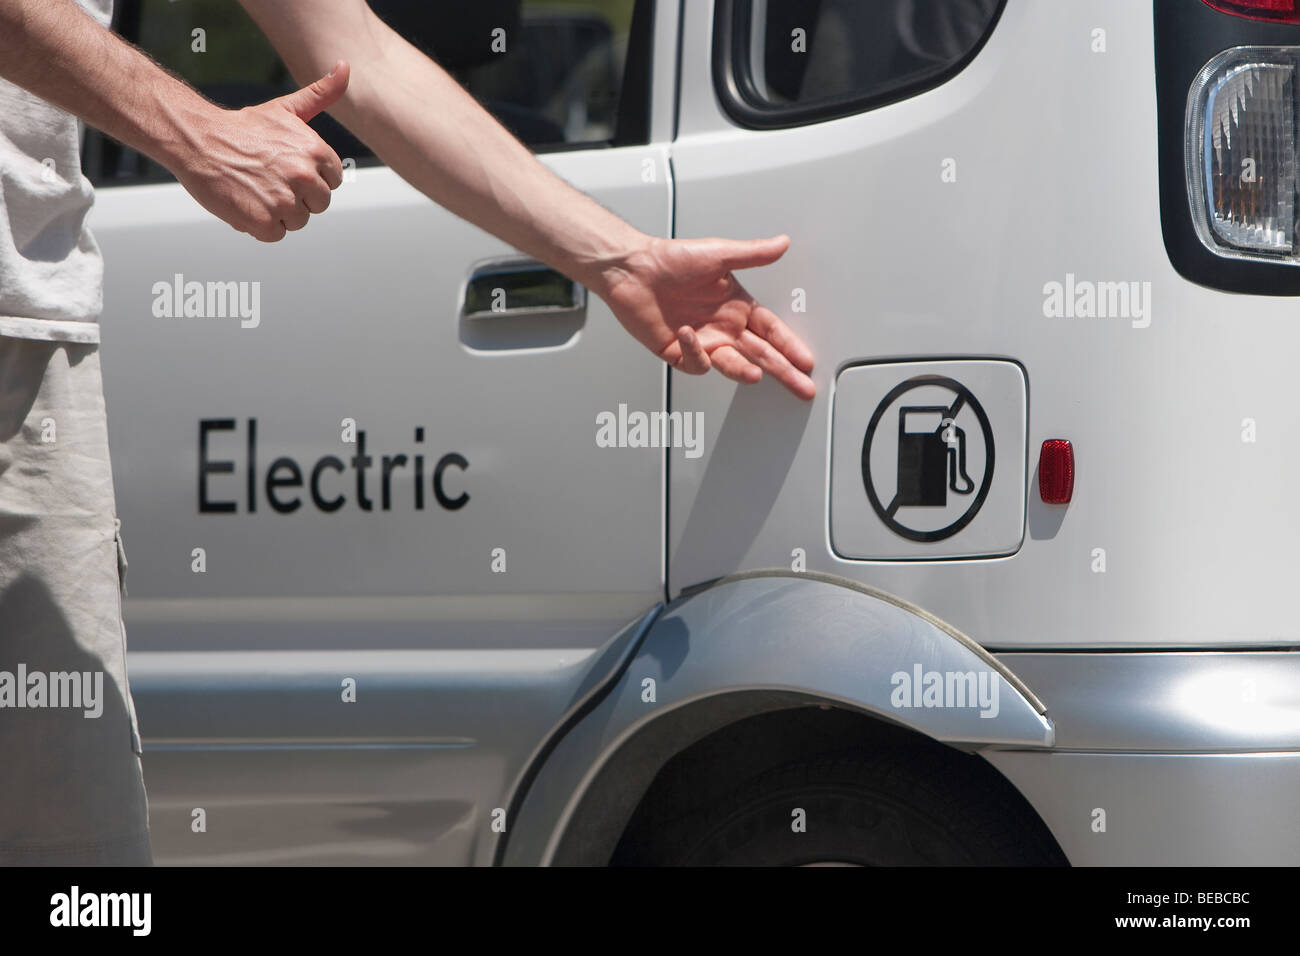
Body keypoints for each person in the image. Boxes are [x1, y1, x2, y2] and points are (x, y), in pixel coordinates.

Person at [0, 0, 816, 865]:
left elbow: (356, 54)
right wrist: (195, 130)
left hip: (42, 341)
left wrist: (613, 256)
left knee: (81, 873)